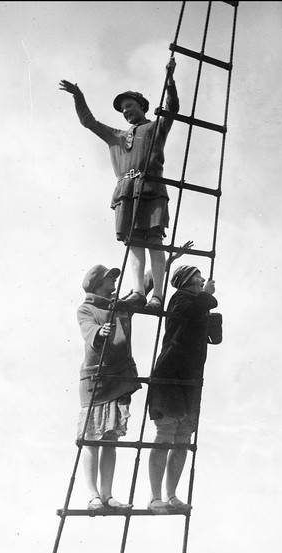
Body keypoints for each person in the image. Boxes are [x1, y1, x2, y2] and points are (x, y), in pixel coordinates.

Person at [59, 58, 180, 313]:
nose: (125, 111)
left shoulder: (155, 127)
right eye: (122, 109)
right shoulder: (115, 136)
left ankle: (157, 295)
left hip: (151, 189)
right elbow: (89, 122)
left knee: (155, 242)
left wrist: (169, 81)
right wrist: (78, 96)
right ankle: (138, 292)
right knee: (135, 243)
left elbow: (172, 108)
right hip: (126, 193)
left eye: (129, 106)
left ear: (141, 106)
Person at [146, 264, 218, 513]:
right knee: (165, 435)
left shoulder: (197, 302)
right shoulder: (180, 299)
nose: (202, 280)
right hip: (171, 377)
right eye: (197, 277)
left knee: (182, 438)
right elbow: (188, 312)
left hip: (189, 380)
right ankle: (156, 497)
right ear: (187, 280)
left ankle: (171, 494)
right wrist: (206, 297)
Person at [77, 264, 142, 512]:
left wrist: (165, 264)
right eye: (109, 279)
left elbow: (143, 285)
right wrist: (99, 331)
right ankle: (93, 494)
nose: (114, 281)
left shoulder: (120, 306)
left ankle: (107, 494)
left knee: (110, 439)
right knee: (92, 438)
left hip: (119, 378)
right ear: (96, 284)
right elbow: (87, 329)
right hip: (96, 380)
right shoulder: (86, 308)